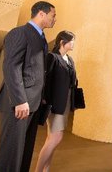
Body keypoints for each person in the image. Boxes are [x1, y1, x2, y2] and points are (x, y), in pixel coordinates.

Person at [0, 1, 56, 172]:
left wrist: (40, 96)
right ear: (41, 14)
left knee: (25, 151)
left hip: (33, 103)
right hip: (19, 104)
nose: (54, 19)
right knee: (11, 153)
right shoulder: (20, 33)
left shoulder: (41, 39)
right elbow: (11, 67)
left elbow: (35, 70)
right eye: (53, 15)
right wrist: (20, 100)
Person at [35, 30, 77, 172]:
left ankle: (45, 170)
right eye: (71, 40)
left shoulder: (70, 60)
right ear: (62, 42)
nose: (73, 43)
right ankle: (38, 170)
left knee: (51, 139)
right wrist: (44, 99)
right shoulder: (52, 57)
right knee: (56, 138)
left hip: (65, 102)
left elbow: (71, 81)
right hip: (55, 103)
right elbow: (45, 80)